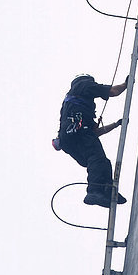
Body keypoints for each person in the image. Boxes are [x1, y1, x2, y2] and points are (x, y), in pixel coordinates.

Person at [53, 74, 128, 208]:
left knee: (102, 162)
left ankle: (107, 190)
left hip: (69, 140)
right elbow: (113, 91)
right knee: (97, 159)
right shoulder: (83, 86)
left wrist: (116, 124)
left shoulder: (74, 105)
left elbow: (95, 133)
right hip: (79, 134)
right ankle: (94, 191)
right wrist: (126, 84)